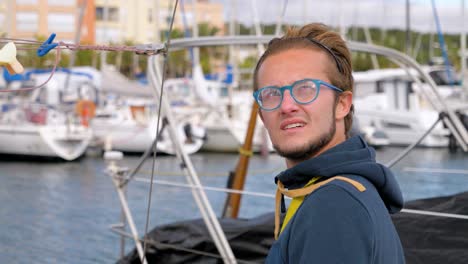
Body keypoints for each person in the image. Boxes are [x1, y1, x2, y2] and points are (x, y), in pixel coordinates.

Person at [252, 23, 405, 263]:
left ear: (342, 104)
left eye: (305, 89)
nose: (286, 106)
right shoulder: (342, 190)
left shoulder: (334, 206)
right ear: (262, 116)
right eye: (272, 94)